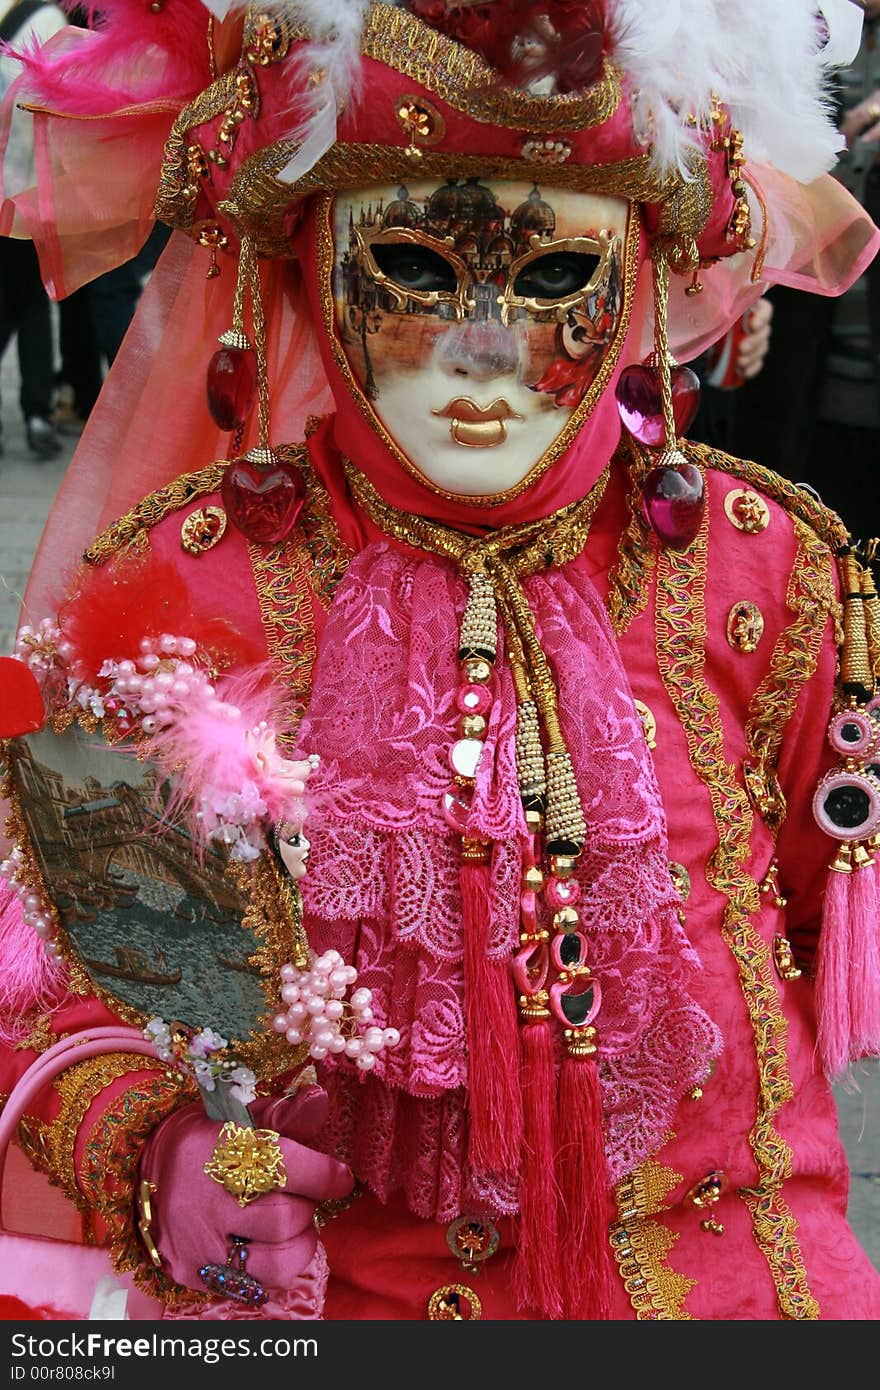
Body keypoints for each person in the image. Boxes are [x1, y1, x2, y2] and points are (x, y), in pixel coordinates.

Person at [1, 0, 880, 1322]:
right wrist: (178, 1150)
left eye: (547, 277)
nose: (483, 351)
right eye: (412, 267)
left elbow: (819, 919)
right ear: (300, 267)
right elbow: (78, 984)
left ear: (637, 272)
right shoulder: (186, 579)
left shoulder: (769, 572)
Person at [0, 0, 63, 458]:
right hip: (29, 189)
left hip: (12, 186)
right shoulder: (48, 21)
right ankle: (37, 412)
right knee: (31, 306)